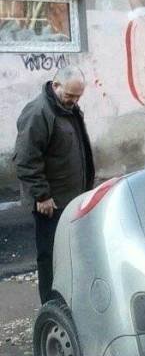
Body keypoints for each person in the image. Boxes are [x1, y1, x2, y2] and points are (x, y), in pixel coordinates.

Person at [13, 65, 95, 304]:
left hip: (72, 198)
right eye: (70, 95)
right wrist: (41, 195)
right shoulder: (39, 112)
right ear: (55, 84)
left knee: (71, 251)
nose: (74, 101)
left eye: (78, 96)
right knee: (50, 256)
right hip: (51, 203)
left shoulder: (68, 108)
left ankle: (70, 298)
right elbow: (25, 159)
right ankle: (51, 307)